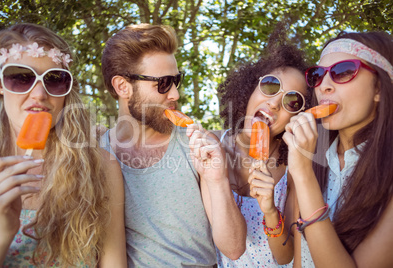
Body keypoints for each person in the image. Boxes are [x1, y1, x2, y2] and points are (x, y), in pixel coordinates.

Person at [100, 23, 247, 267]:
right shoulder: (96, 153)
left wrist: (216, 180)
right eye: (164, 83)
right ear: (122, 87)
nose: (176, 94)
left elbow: (234, 248)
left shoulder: (198, 146)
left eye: (176, 80)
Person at [0, 23, 127, 267]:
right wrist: (0, 236)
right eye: (21, 77)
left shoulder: (102, 168)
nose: (40, 94)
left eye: (55, 80)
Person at [283, 31, 393, 267]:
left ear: (379, 90)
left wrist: (303, 175)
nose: (324, 86)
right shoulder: (314, 158)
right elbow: (301, 257)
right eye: (317, 75)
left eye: (343, 72)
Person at [216, 30, 311, 267]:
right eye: (270, 85)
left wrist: (269, 210)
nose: (274, 103)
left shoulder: (294, 169)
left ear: (298, 117)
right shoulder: (212, 147)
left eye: (292, 101)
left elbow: (285, 256)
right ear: (250, 87)